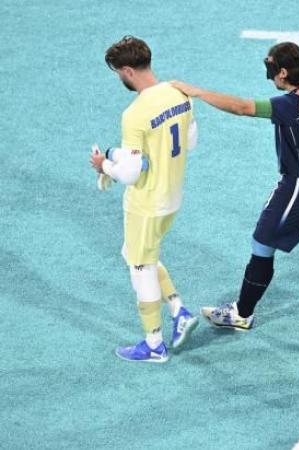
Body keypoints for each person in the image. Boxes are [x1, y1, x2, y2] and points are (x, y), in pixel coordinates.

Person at [169, 42, 299, 330]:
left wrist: (197, 91)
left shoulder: (288, 105)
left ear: (282, 72)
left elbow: (242, 107)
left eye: (272, 70)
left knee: (262, 243)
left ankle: (242, 313)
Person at [90, 36, 199, 363]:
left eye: (118, 73)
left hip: (146, 203)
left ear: (127, 70)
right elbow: (189, 141)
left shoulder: (134, 113)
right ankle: (179, 311)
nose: (119, 79)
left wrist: (105, 165)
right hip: (173, 196)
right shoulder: (180, 93)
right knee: (138, 253)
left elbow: (132, 174)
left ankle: (154, 344)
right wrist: (125, 156)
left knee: (140, 267)